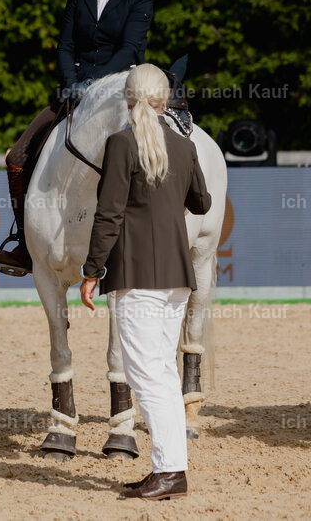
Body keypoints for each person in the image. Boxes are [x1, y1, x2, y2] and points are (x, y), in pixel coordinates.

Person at [79, 64, 211, 501]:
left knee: (146, 373)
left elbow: (109, 213)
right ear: (164, 100)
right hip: (175, 274)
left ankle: (170, 471)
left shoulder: (120, 143)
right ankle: (173, 469)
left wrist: (92, 269)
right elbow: (203, 201)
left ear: (129, 98)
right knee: (163, 373)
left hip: (136, 274)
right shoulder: (183, 144)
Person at [0, 0, 153, 276]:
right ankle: (24, 241)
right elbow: (65, 45)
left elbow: (129, 50)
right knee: (17, 158)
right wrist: (71, 83)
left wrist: (92, 85)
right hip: (73, 91)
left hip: (119, 91)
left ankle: (152, 237)